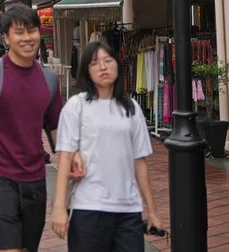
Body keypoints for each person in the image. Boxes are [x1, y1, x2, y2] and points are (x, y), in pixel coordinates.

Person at [0, 5, 78, 252]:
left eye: (32, 30)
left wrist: (73, 159)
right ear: (6, 38)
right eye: (19, 32)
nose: (27, 38)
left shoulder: (48, 79)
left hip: (35, 179)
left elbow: (58, 134)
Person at [51, 40, 163, 251]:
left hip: (128, 210)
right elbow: (65, 158)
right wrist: (59, 208)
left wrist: (152, 210)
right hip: (88, 208)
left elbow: (140, 161)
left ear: (117, 65)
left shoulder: (131, 107)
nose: (103, 67)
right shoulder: (76, 106)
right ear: (87, 71)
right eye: (95, 63)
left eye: (108, 61)